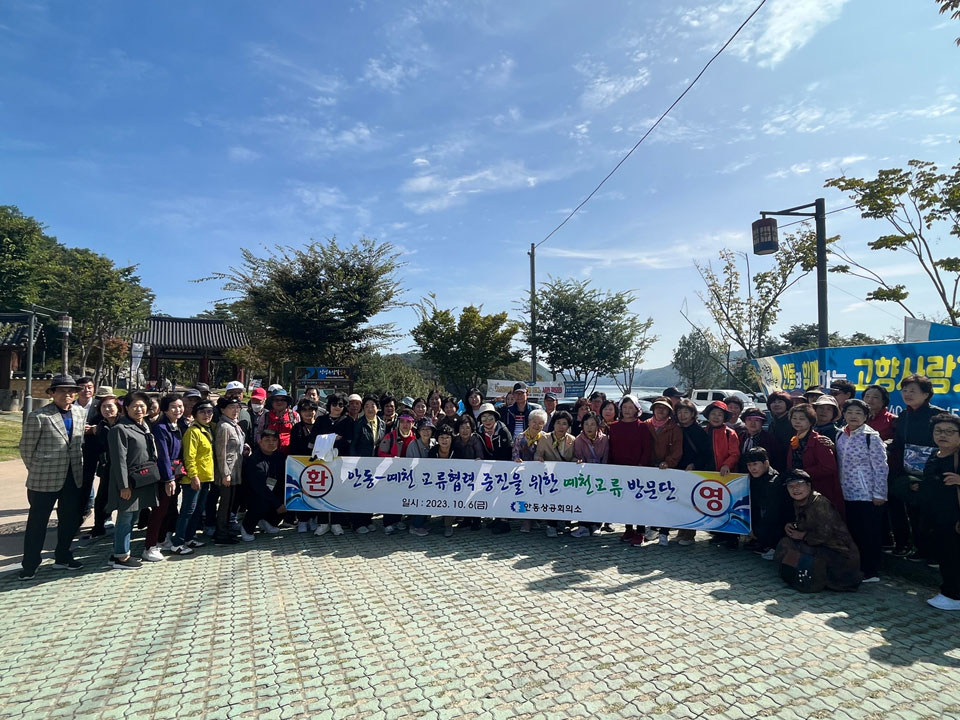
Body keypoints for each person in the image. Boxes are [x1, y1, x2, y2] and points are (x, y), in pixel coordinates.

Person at [18, 375, 87, 580]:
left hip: (72, 475)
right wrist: (38, 468)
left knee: (69, 520)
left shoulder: (80, 413)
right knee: (37, 522)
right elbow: (26, 448)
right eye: (62, 391)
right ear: (52, 393)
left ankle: (63, 556)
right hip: (44, 478)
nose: (68, 395)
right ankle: (30, 564)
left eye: (71, 391)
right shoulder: (39, 416)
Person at [774, 470, 862, 593]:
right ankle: (796, 575)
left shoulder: (819, 503)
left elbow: (824, 535)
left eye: (799, 485)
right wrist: (792, 526)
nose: (795, 489)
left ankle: (817, 580)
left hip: (838, 553)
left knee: (796, 550)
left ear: (808, 485)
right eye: (791, 486)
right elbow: (807, 523)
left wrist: (802, 535)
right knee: (786, 543)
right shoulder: (799, 502)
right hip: (820, 546)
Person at [890, 374, 944, 562]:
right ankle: (919, 549)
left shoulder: (938, 416)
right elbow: (899, 442)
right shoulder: (904, 416)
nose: (907, 394)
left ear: (926, 394)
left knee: (930, 514)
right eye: (904, 390)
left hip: (933, 471)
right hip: (909, 472)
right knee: (913, 512)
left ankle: (934, 554)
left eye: (913, 391)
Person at [106, 392, 161, 570]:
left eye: (142, 405)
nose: (139, 409)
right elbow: (119, 460)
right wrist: (124, 485)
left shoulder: (144, 425)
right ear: (126, 408)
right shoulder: (120, 429)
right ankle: (121, 557)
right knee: (125, 517)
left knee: (133, 516)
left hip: (141, 480)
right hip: (129, 481)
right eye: (134, 406)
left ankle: (119, 551)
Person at [835, 398, 888, 583]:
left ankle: (871, 571)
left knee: (870, 534)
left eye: (859, 413)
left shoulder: (871, 437)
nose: (854, 416)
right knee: (854, 531)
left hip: (868, 495)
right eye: (850, 412)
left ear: (866, 416)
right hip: (847, 492)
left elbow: (881, 468)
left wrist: (879, 494)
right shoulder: (841, 434)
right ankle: (856, 566)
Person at [921, 413, 960, 610]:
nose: (943, 435)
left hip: (955, 517)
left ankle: (953, 595)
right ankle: (949, 591)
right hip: (937, 515)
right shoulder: (935, 453)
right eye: (938, 431)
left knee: (953, 555)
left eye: (950, 432)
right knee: (945, 554)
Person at [171, 399, 216, 554]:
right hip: (193, 478)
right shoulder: (193, 432)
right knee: (187, 510)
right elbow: (189, 456)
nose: (206, 415)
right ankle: (178, 542)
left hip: (207, 476)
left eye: (209, 411)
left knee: (198, 509)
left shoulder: (209, 428)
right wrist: (193, 476)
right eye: (202, 412)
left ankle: (190, 537)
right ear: (195, 414)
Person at [785, 403, 844, 519]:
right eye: (794, 418)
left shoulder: (819, 441)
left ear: (810, 421)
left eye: (802, 419)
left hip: (820, 490)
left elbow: (829, 467)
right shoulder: (795, 439)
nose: (797, 422)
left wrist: (803, 474)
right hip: (800, 490)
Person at [143, 394, 184, 560]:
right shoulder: (161, 427)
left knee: (169, 509)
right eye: (173, 406)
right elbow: (163, 456)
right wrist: (169, 479)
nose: (178, 410)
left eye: (180, 406)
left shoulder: (177, 424)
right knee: (159, 512)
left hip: (175, 473)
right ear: (164, 408)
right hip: (164, 476)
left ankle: (161, 540)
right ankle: (149, 546)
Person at [608, 395, 652, 543]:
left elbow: (647, 449)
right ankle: (628, 529)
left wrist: (641, 466)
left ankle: (640, 531)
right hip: (619, 469)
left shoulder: (643, 426)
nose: (627, 410)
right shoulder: (613, 427)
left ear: (637, 409)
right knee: (624, 501)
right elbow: (611, 448)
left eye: (630, 407)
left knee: (638, 501)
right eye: (625, 407)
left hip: (638, 470)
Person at [702, 401, 741, 549]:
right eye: (713, 414)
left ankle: (732, 537)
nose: (716, 417)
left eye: (720, 414)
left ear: (724, 417)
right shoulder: (705, 431)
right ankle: (718, 533)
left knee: (728, 505)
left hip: (726, 475)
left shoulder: (729, 433)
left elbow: (735, 453)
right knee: (713, 505)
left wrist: (727, 464)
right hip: (709, 473)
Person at [84, 392, 122, 540]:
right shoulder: (101, 425)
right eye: (103, 407)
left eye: (110, 406)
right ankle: (99, 527)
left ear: (118, 408)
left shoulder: (124, 423)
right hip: (109, 467)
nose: (107, 410)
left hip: (126, 467)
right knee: (102, 498)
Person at [645, 398, 683, 547]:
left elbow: (677, 450)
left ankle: (664, 532)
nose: (660, 410)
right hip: (648, 468)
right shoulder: (646, 425)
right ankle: (653, 528)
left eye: (664, 408)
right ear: (653, 409)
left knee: (666, 501)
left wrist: (668, 462)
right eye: (658, 407)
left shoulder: (675, 428)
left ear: (669, 411)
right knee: (651, 501)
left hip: (667, 470)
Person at [675, 398, 713, 546]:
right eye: (679, 412)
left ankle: (690, 534)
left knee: (691, 502)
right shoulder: (676, 429)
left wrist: (694, 464)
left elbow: (705, 453)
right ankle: (681, 530)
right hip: (678, 469)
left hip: (693, 471)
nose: (682, 415)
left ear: (693, 414)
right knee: (679, 501)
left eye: (686, 412)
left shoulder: (699, 431)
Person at [742, 447, 789, 559]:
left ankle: (770, 544)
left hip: (778, 525)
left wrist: (756, 532)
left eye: (755, 464)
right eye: (749, 465)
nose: (752, 468)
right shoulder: (753, 479)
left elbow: (773, 514)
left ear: (766, 463)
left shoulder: (774, 483)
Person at [534, 410, 576, 537]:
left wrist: (577, 461)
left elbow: (574, 457)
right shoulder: (545, 438)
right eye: (558, 423)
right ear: (553, 424)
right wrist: (539, 459)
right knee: (551, 500)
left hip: (565, 477)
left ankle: (563, 522)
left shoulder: (572, 440)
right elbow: (538, 454)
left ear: (568, 426)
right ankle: (551, 525)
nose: (561, 426)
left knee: (565, 499)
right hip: (549, 477)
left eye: (564, 423)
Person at [240, 429, 287, 541]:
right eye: (267, 440)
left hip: (272, 489)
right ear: (260, 441)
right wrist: (277, 504)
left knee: (291, 499)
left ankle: (268, 522)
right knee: (262, 501)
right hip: (253, 493)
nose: (271, 443)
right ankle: (247, 527)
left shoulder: (280, 456)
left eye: (274, 440)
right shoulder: (254, 460)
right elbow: (260, 488)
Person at [476, 403, 514, 534]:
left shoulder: (503, 430)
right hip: (490, 468)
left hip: (504, 466)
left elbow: (506, 451)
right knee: (493, 492)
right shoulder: (479, 431)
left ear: (495, 418)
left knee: (503, 493)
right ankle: (497, 517)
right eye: (484, 418)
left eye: (490, 418)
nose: (487, 421)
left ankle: (504, 522)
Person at [213, 396, 246, 545]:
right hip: (227, 472)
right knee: (225, 505)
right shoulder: (224, 427)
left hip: (236, 470)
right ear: (222, 410)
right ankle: (221, 534)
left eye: (237, 408)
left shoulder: (234, 424)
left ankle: (225, 530)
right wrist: (225, 474)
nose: (235, 411)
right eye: (231, 408)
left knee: (230, 504)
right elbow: (221, 452)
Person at [571, 411, 609, 538]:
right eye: (586, 424)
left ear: (598, 426)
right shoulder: (578, 440)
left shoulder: (604, 439)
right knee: (584, 500)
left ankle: (597, 525)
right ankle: (583, 526)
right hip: (585, 476)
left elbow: (606, 457)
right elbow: (577, 456)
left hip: (600, 474)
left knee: (599, 500)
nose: (589, 427)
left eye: (592, 424)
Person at [350, 395, 385, 534]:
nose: (370, 409)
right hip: (361, 463)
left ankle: (368, 519)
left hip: (376, 464)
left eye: (373, 406)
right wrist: (354, 462)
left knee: (371, 493)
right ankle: (358, 523)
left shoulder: (381, 423)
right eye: (367, 406)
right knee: (359, 493)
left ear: (377, 408)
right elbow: (353, 444)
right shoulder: (358, 423)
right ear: (363, 409)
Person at [429, 424, 460, 537]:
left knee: (451, 498)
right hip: (436, 483)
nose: (444, 440)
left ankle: (448, 525)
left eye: (447, 437)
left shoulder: (457, 451)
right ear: (437, 439)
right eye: (441, 437)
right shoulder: (433, 452)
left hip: (454, 484)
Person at [738, 407, 779, 473]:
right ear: (744, 422)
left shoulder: (769, 439)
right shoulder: (740, 436)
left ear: (762, 423)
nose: (753, 423)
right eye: (749, 420)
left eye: (757, 420)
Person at [765, 390, 794, 471]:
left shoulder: (792, 421)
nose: (776, 404)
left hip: (788, 463)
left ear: (787, 404)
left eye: (780, 402)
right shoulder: (773, 423)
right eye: (773, 402)